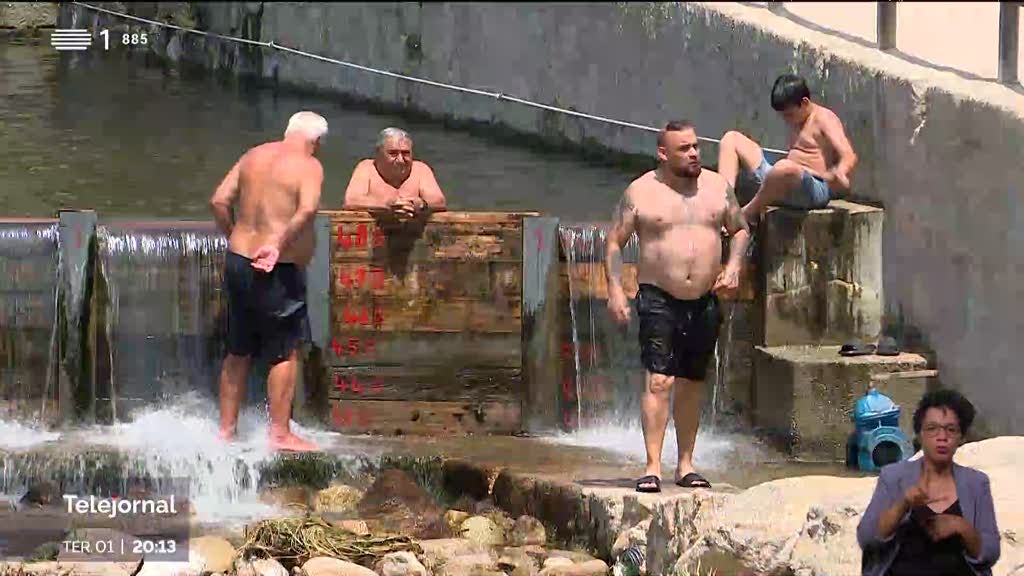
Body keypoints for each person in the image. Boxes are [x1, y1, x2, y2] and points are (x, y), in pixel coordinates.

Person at [604, 120, 750, 493]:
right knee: (659, 379)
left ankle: (685, 465)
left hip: (704, 297)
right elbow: (615, 241)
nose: (694, 153)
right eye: (684, 148)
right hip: (658, 296)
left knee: (691, 381)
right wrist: (615, 288)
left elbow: (740, 229)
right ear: (663, 153)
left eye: (696, 146)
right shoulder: (641, 191)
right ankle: (652, 466)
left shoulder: (717, 187)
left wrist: (734, 267)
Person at [209, 110, 327, 452]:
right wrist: (277, 245)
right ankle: (280, 433)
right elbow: (307, 210)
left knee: (238, 348)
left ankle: (226, 430)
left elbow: (218, 200)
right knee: (285, 350)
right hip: (278, 267)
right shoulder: (309, 165)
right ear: (317, 141)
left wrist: (234, 235)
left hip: (238, 260)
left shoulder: (253, 155)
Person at [857, 389, 1001, 576]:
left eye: (951, 429)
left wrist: (962, 527)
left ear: (961, 437)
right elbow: (867, 538)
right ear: (920, 435)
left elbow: (990, 553)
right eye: (932, 428)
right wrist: (903, 504)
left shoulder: (976, 483)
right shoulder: (893, 477)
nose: (942, 437)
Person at [716, 73, 858, 224]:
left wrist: (840, 172)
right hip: (780, 180)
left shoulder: (824, 119)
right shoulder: (797, 118)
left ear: (804, 102)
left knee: (784, 167)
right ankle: (725, 206)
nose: (786, 119)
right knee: (731, 139)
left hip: (812, 188)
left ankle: (748, 212)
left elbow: (848, 154)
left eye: (789, 114)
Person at [343, 127, 447, 220]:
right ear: (378, 153)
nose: (400, 160)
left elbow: (439, 201)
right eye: (393, 153)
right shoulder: (366, 168)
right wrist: (387, 205)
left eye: (406, 153)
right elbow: (351, 201)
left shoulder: (420, 169)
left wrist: (420, 204)